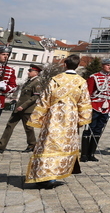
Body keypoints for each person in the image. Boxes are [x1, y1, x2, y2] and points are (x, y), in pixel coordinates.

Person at [24, 55, 92, 189]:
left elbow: (45, 99)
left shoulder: (55, 80)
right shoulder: (81, 82)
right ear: (77, 66)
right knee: (64, 146)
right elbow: (84, 102)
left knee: (48, 145)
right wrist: (83, 118)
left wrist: (37, 118)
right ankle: (55, 175)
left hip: (53, 117)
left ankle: (44, 175)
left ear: (65, 65)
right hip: (70, 118)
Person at [0, 64, 44, 153]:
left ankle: (32, 144)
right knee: (9, 125)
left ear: (36, 73)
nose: (28, 72)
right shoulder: (28, 81)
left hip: (26, 109)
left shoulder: (37, 82)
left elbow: (35, 97)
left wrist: (23, 106)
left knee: (28, 128)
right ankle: (1, 145)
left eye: (30, 71)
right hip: (18, 108)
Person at [82, 58, 110, 162]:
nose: (109, 67)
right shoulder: (94, 77)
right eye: (107, 65)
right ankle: (84, 154)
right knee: (89, 129)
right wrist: (86, 106)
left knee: (98, 129)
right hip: (95, 105)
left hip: (106, 107)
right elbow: (88, 92)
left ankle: (91, 153)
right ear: (102, 65)